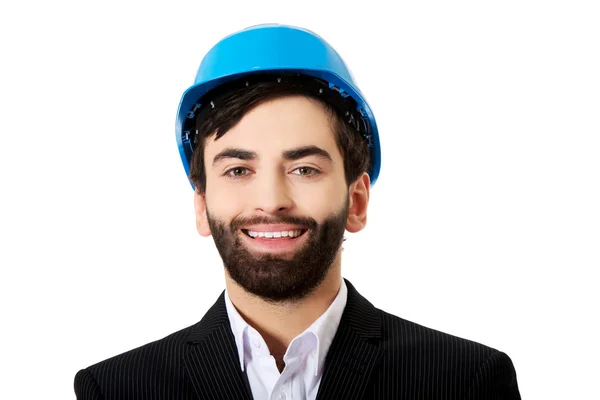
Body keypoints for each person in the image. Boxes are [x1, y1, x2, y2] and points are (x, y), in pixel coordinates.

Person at [74, 23, 521, 399]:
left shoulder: (466, 382)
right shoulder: (115, 390)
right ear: (200, 203)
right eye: (237, 170)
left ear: (357, 202)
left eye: (304, 168)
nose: (271, 200)